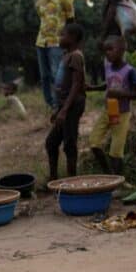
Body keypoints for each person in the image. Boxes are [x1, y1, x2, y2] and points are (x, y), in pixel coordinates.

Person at [86, 35, 136, 175]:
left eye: (111, 49)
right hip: (108, 111)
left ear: (122, 50)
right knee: (94, 142)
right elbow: (109, 84)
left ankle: (119, 180)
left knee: (116, 151)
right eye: (105, 50)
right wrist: (93, 88)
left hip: (122, 113)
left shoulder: (130, 71)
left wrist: (120, 94)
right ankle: (108, 174)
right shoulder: (108, 67)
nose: (107, 53)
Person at [46, 23, 86, 182]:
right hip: (65, 106)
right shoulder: (66, 55)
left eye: (63, 35)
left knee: (69, 143)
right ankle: (53, 179)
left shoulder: (76, 56)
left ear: (73, 38)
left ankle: (72, 181)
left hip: (73, 105)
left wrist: (64, 110)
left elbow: (77, 84)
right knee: (51, 142)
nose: (60, 37)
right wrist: (59, 110)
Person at [35, 0, 75, 108]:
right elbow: (42, 20)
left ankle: (60, 102)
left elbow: (71, 21)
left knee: (56, 74)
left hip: (57, 42)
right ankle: (50, 104)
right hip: (41, 42)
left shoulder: (64, 0)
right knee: (44, 76)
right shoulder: (39, 3)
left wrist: (69, 42)